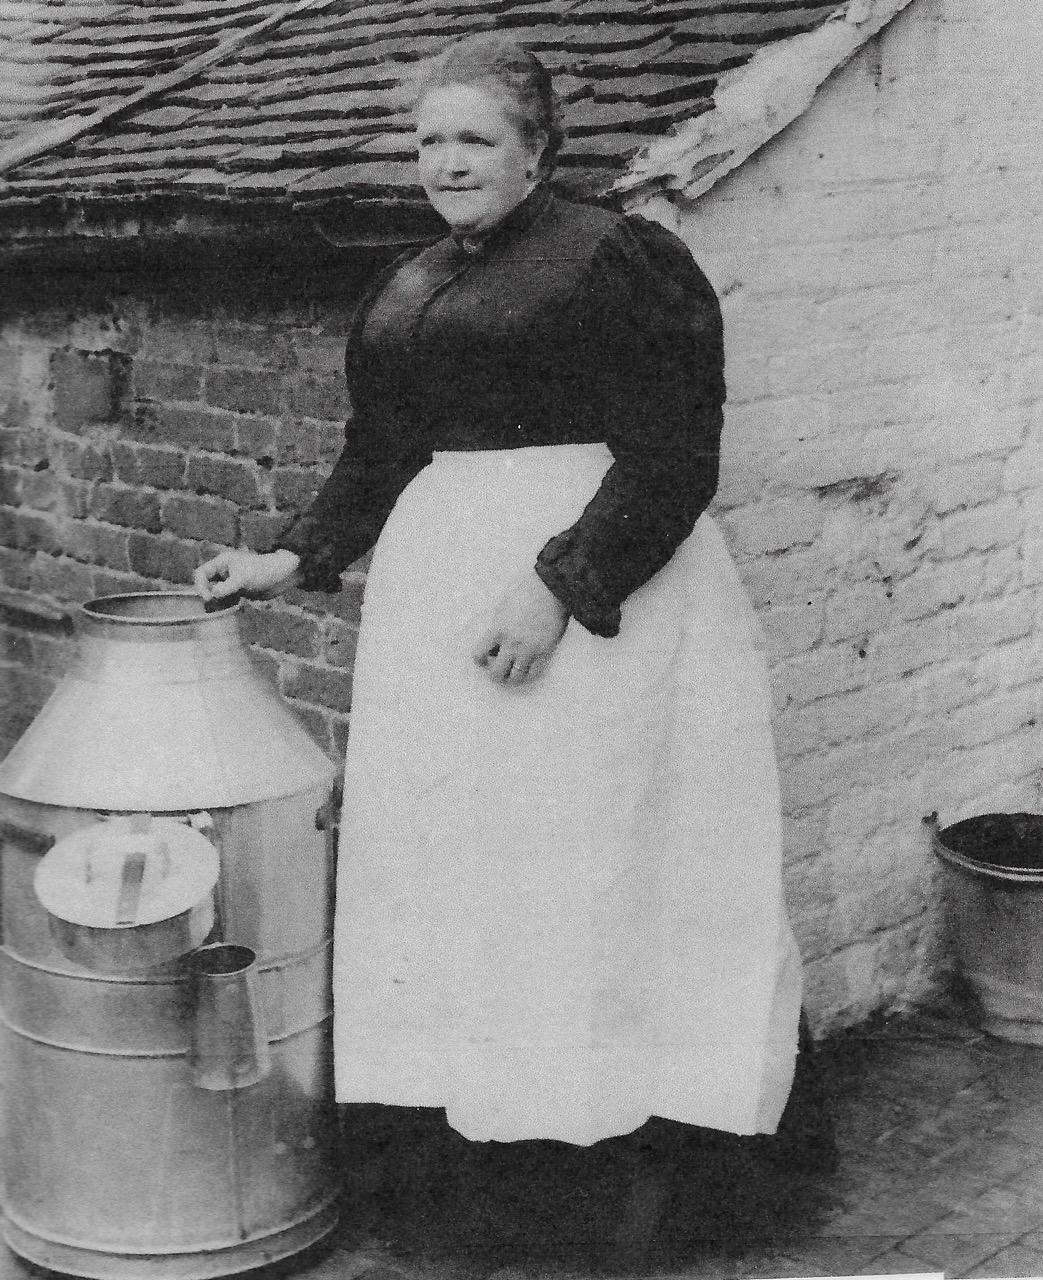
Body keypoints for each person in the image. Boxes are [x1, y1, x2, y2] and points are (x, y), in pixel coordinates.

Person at [195, 30, 805, 1257]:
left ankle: (621, 1180)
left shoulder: (620, 259)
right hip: (439, 614)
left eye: (474, 138)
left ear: (537, 151)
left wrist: (558, 587)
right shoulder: (412, 283)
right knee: (466, 873)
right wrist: (291, 556)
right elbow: (380, 455)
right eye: (427, 139)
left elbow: (675, 450)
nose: (445, 160)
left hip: (600, 611)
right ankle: (491, 1157)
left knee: (592, 869)